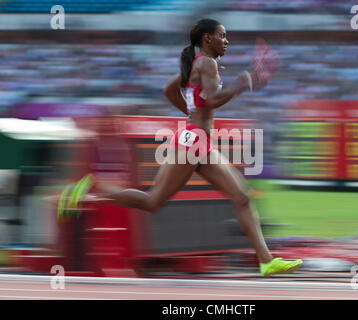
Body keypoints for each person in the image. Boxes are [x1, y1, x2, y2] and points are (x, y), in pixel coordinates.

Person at [59, 18, 302, 276]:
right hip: (193, 142)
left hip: (198, 141)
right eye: (222, 35)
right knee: (154, 202)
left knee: (240, 196)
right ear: (207, 39)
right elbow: (211, 101)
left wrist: (191, 113)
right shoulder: (206, 63)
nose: (227, 41)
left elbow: (169, 90)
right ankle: (92, 187)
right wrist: (241, 85)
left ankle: (266, 261)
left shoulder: (199, 63)